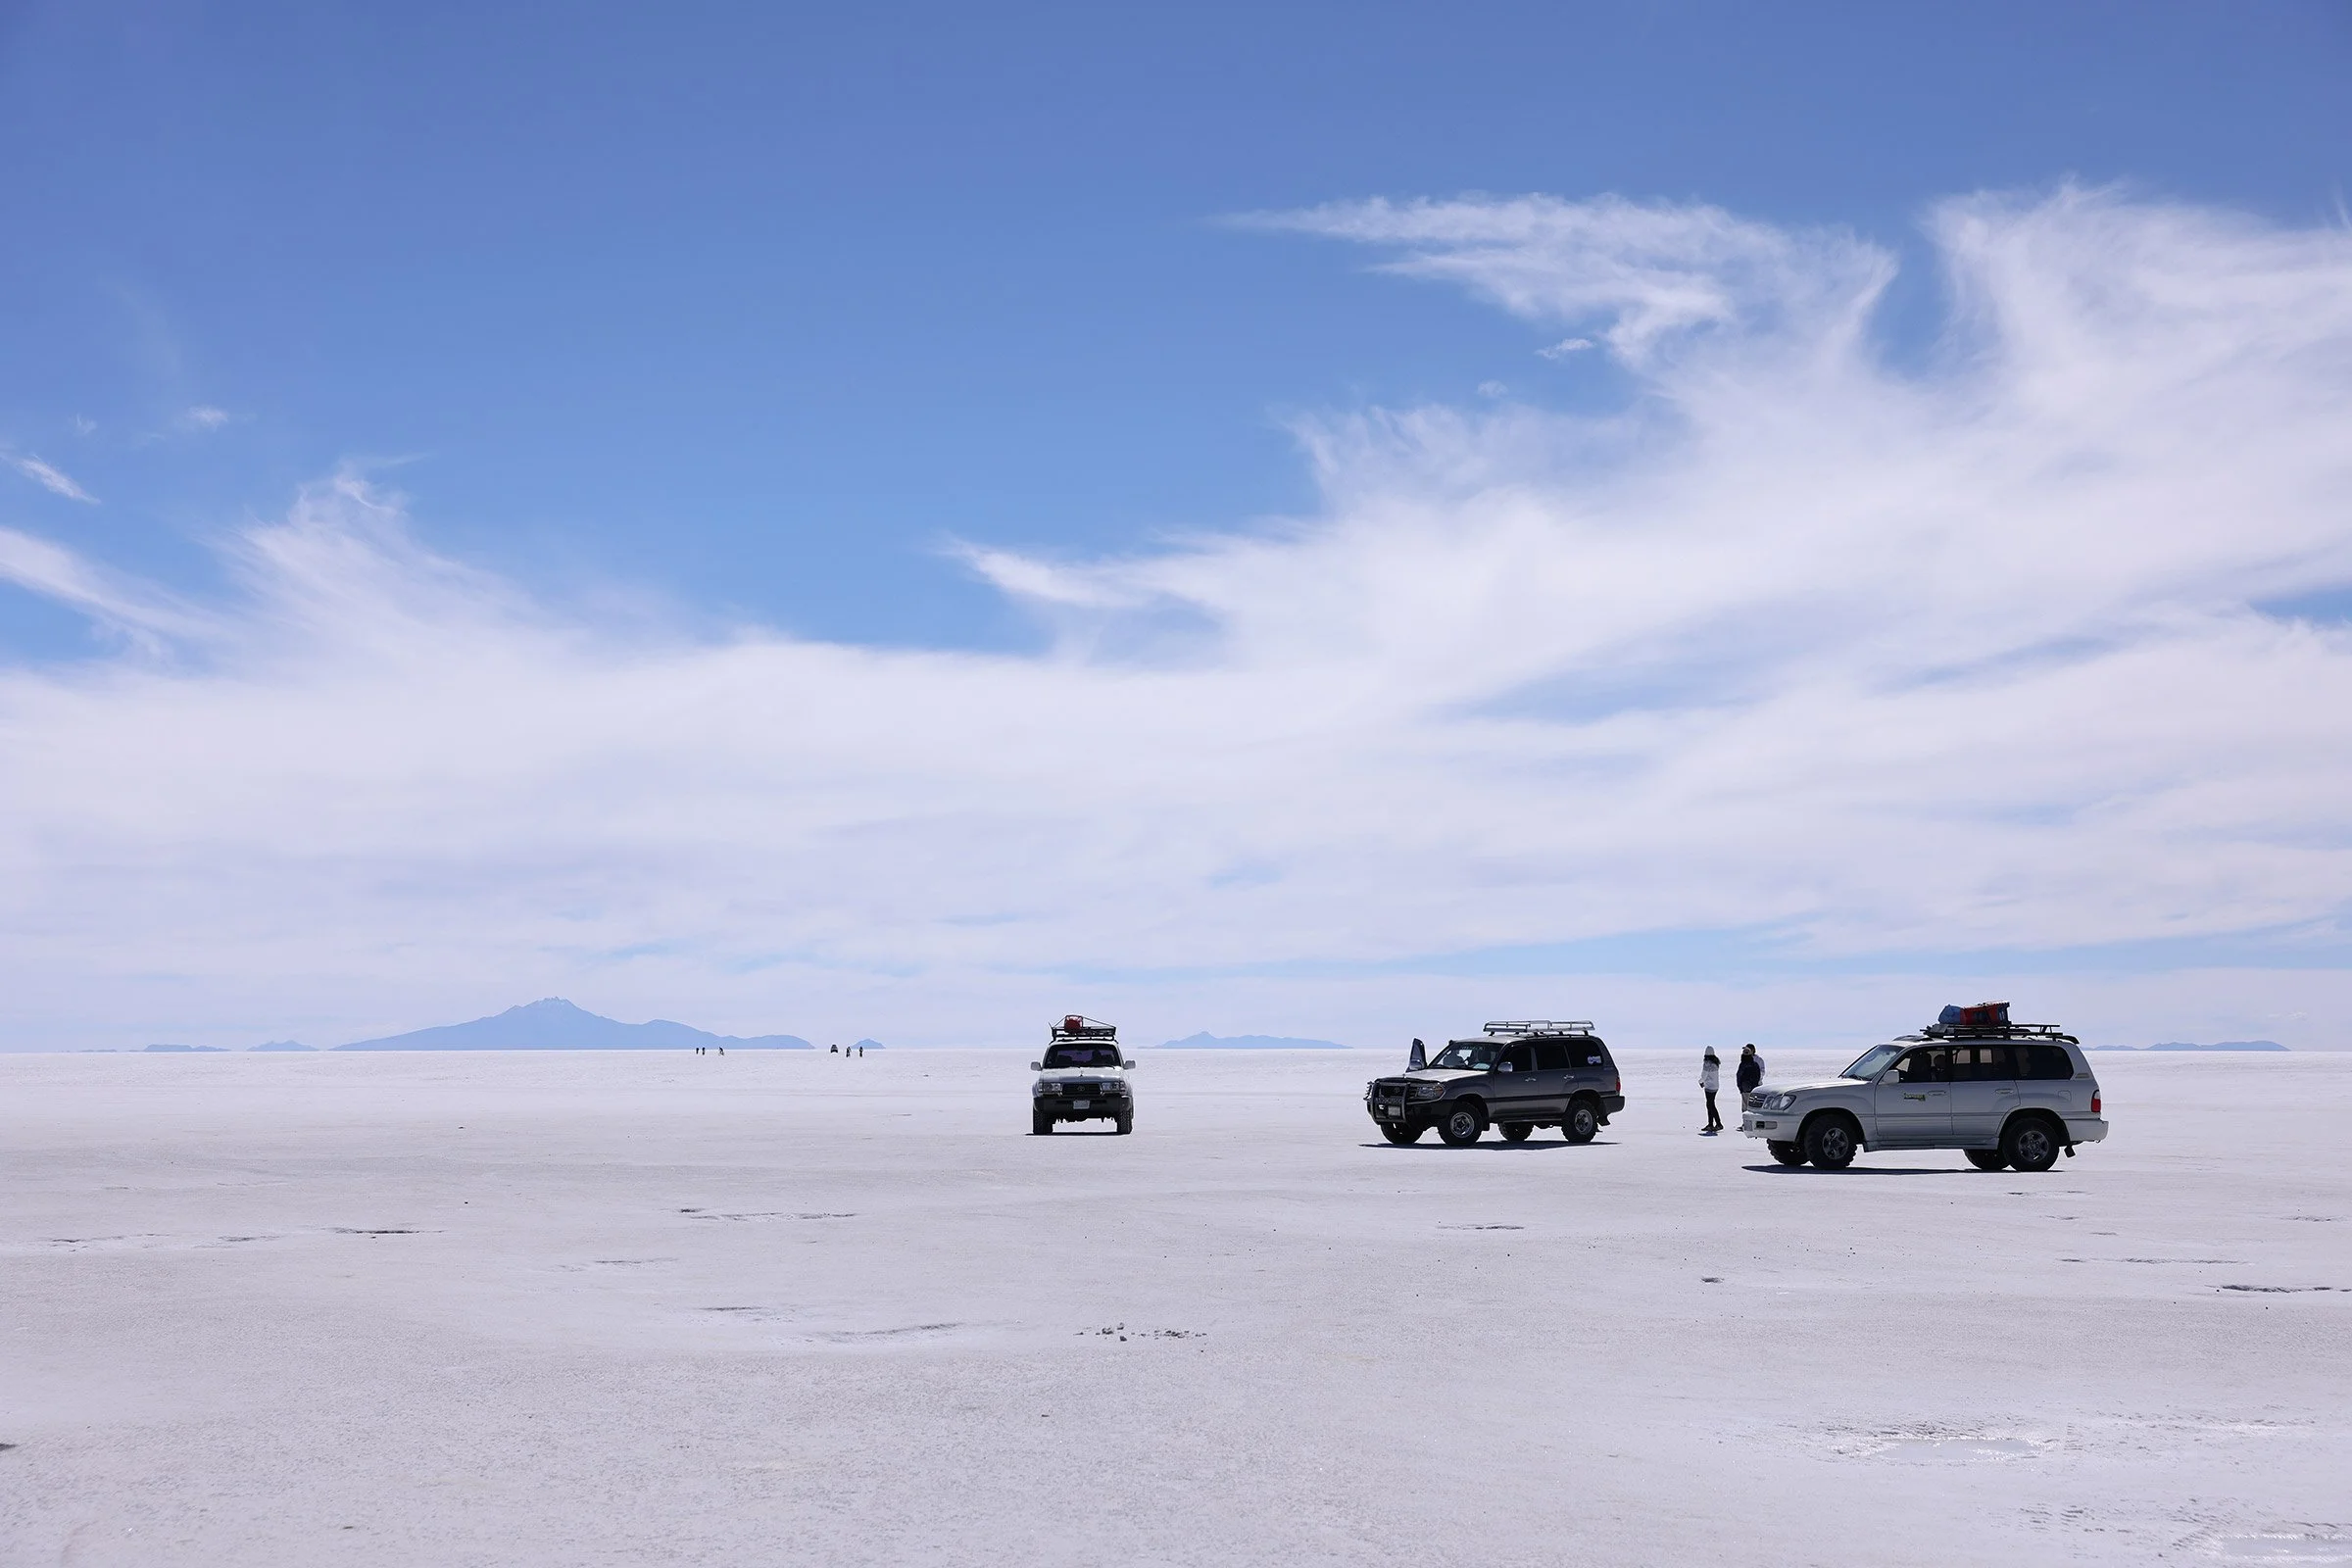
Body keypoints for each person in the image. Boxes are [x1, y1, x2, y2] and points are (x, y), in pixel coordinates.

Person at [1699, 1048, 1723, 1133]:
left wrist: (1701, 1081)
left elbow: (1704, 1075)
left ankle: (1716, 1124)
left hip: (1709, 1087)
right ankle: (1712, 1124)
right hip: (1715, 1086)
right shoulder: (1715, 1063)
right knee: (1710, 1105)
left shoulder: (1707, 1063)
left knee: (1710, 1105)